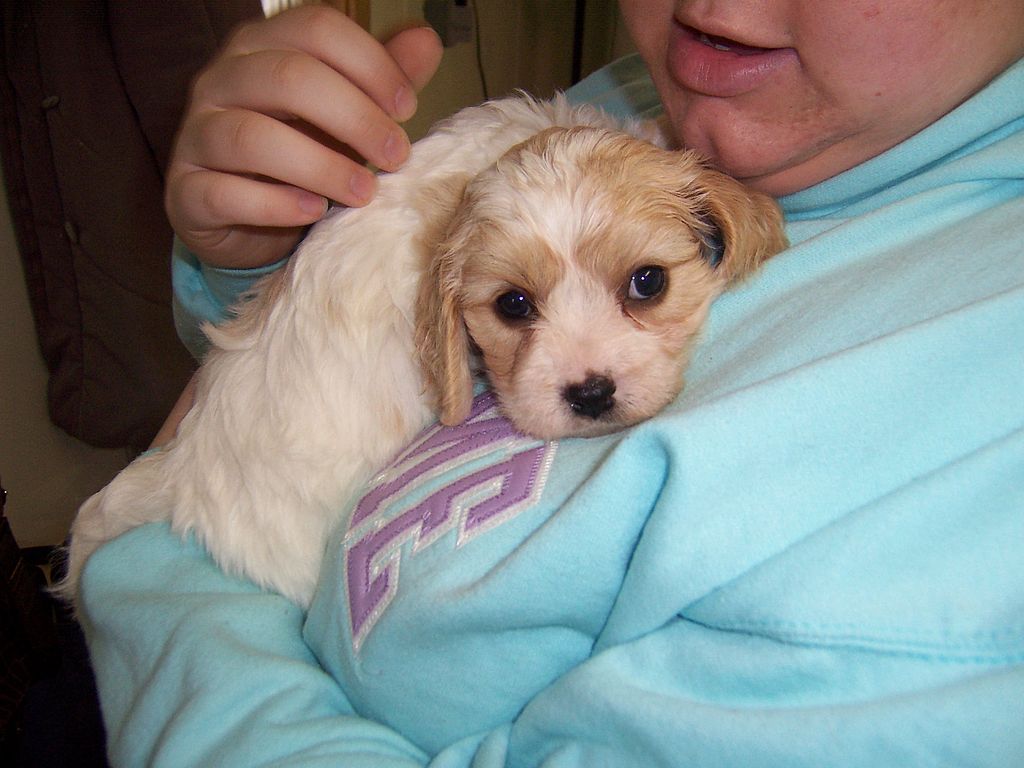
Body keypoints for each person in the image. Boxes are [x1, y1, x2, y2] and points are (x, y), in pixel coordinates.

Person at [79, 3, 1024, 765]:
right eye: (517, 309)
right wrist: (267, 269)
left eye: (644, 285)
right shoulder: (653, 90)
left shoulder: (976, 456)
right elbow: (341, 366)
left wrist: (161, 580)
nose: (712, 7)